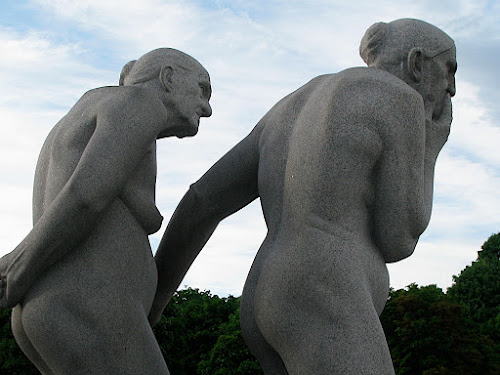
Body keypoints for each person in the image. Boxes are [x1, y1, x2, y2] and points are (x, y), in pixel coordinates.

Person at [149, 19, 457, 375]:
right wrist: (431, 149)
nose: (451, 89)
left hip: (263, 293)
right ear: (417, 63)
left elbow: (201, 203)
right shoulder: (398, 99)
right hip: (325, 290)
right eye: (448, 69)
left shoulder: (290, 107)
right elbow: (399, 240)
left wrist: (154, 304)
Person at [0, 48, 212, 375]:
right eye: (202, 90)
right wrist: (20, 263)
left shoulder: (88, 112)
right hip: (92, 302)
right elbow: (86, 195)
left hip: (50, 304)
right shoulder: (140, 103)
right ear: (168, 78)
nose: (207, 109)